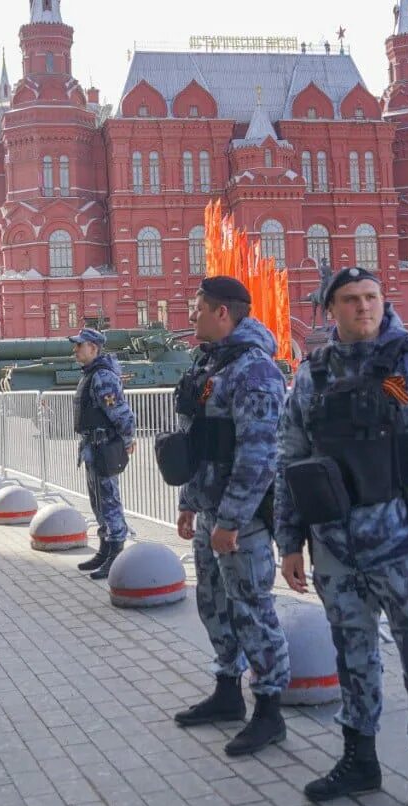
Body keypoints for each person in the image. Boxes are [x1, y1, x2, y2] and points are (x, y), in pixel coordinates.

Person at [275, 267, 408, 806]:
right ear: (330, 310)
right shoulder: (313, 373)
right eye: (350, 300)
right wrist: (289, 540)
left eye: (371, 298)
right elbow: (290, 457)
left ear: (383, 303)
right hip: (335, 547)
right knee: (352, 655)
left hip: (404, 545)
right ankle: (360, 760)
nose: (363, 307)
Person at [167, 276, 291, 757]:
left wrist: (231, 521)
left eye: (198, 308)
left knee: (252, 609)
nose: (191, 315)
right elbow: (201, 442)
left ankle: (269, 710)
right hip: (210, 511)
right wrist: (189, 503)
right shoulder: (211, 363)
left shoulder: (255, 371)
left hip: (241, 521)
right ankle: (226, 690)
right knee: (213, 605)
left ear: (224, 314)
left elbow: (258, 456)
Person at [69, 331, 137, 582]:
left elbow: (122, 413)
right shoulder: (91, 374)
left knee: (109, 502)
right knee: (98, 501)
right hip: (92, 446)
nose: (75, 350)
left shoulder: (102, 377)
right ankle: (105, 549)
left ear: (94, 348)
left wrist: (128, 440)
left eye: (79, 346)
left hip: (103, 447)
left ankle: (116, 553)